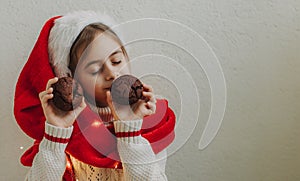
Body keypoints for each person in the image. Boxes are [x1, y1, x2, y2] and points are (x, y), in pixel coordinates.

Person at [14, 11, 176, 180]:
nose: (112, 73)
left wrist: (130, 128)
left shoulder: (151, 121)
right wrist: (56, 134)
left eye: (116, 61)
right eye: (95, 70)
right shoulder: (68, 130)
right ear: (71, 79)